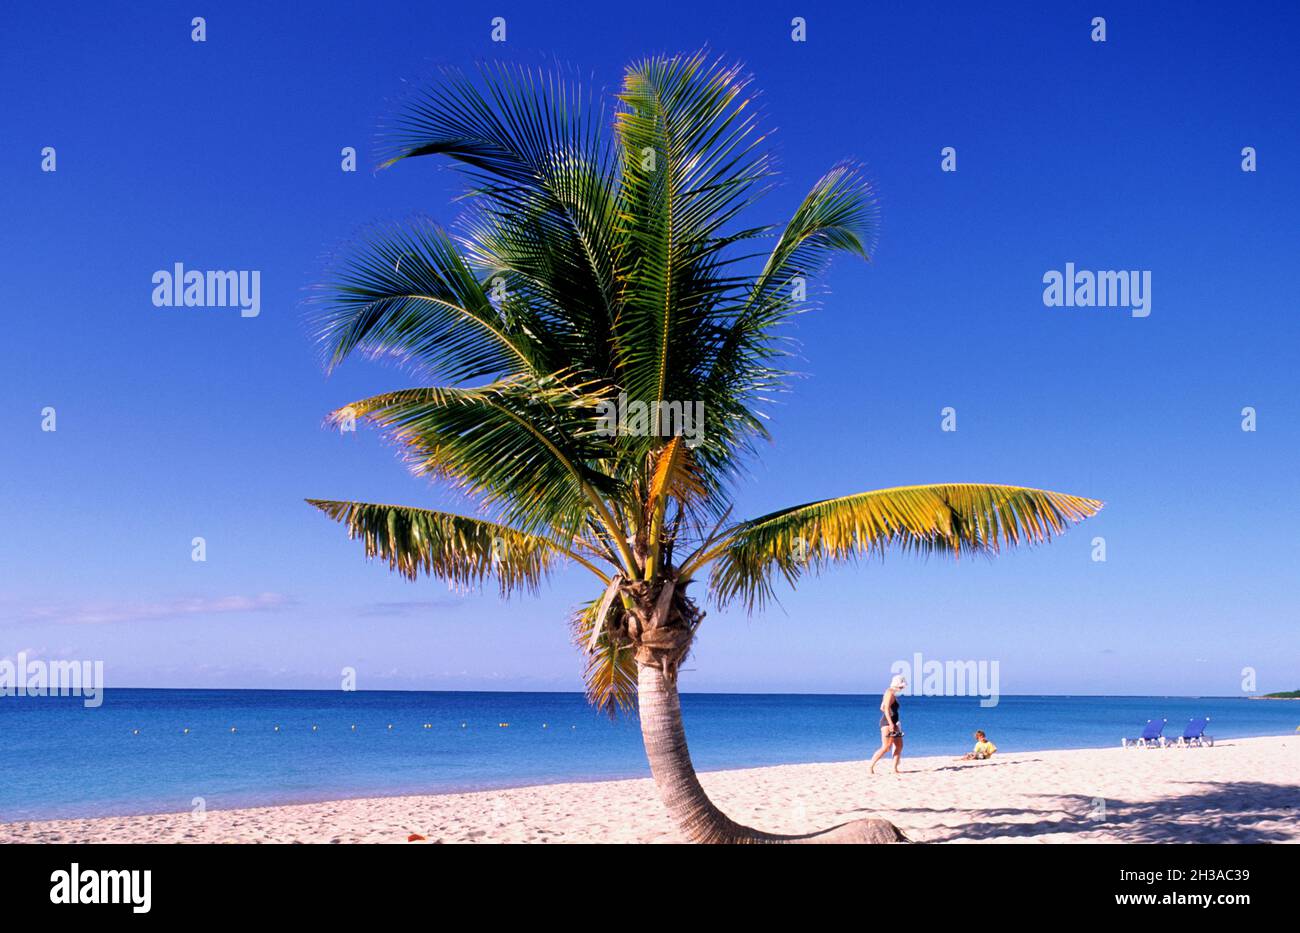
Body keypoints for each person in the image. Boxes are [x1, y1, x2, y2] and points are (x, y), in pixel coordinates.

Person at [869, 674, 906, 774]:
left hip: (894, 723)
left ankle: (894, 769)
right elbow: (885, 708)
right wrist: (890, 723)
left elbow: (882, 707)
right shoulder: (889, 692)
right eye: (901, 686)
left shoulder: (891, 693)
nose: (902, 688)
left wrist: (894, 720)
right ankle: (870, 766)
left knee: (899, 745)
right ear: (897, 684)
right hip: (887, 724)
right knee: (886, 747)